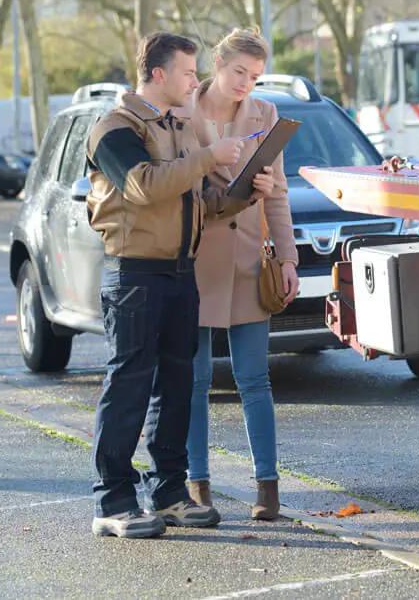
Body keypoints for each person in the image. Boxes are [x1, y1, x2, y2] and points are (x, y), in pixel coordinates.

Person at [85, 32, 277, 538]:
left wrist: (245, 194)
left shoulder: (177, 127)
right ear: (159, 74)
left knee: (176, 387)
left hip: (179, 271)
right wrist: (211, 157)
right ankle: (113, 501)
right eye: (189, 73)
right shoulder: (113, 128)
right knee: (128, 385)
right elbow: (143, 186)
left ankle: (169, 492)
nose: (196, 82)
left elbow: (201, 203)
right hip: (133, 273)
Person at [181, 27, 298, 521]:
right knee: (195, 379)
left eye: (254, 76)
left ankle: (266, 488)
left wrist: (288, 258)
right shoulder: (183, 109)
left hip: (250, 259)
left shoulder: (266, 114)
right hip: (194, 258)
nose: (246, 83)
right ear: (217, 62)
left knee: (254, 379)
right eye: (238, 72)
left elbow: (278, 193)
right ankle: (196, 484)